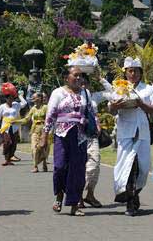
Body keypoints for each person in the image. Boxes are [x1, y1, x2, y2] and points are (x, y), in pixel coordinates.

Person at [109, 57, 153, 216]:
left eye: (136, 71)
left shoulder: (148, 89)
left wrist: (141, 104)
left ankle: (134, 194)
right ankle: (130, 202)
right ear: (125, 73)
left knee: (143, 168)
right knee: (128, 167)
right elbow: (111, 110)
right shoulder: (119, 88)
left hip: (143, 133)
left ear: (140, 73)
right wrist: (115, 106)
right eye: (130, 71)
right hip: (125, 133)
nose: (133, 74)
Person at [41, 66, 94, 216]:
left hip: (80, 137)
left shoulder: (86, 93)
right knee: (60, 166)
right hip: (62, 134)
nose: (79, 78)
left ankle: (74, 204)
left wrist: (96, 125)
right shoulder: (58, 93)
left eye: (81, 76)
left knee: (77, 170)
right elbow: (51, 114)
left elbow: (90, 111)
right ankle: (59, 194)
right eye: (75, 75)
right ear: (66, 78)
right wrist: (45, 135)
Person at [78, 73, 104, 209]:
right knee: (79, 166)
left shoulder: (92, 96)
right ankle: (78, 197)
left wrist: (100, 77)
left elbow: (111, 92)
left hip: (91, 134)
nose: (82, 86)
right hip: (77, 135)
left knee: (95, 164)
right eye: (79, 83)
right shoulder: (70, 95)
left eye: (84, 83)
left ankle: (90, 194)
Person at [0, 83, 27, 166]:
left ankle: (10, 158)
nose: (10, 99)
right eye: (9, 98)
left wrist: (20, 96)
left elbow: (24, 103)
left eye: (12, 98)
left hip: (15, 127)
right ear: (6, 98)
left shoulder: (16, 105)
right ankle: (6, 158)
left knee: (14, 142)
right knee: (7, 142)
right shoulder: (2, 107)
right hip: (5, 127)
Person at [22, 92, 50, 172]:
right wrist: (14, 121)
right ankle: (35, 166)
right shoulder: (33, 108)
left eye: (34, 97)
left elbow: (49, 119)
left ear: (40, 98)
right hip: (34, 130)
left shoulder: (45, 107)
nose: (32, 99)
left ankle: (44, 161)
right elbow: (26, 119)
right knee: (34, 148)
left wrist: (47, 130)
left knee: (43, 148)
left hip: (44, 130)